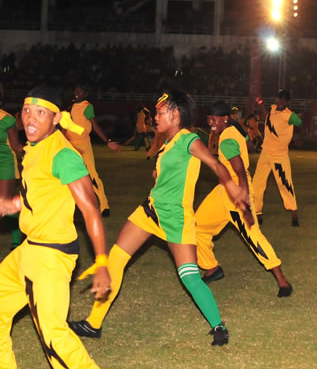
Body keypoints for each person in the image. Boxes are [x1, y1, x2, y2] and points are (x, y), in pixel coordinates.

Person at [68, 90, 251, 346]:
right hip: (150, 211)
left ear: (175, 114)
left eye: (160, 112)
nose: (155, 117)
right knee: (117, 258)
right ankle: (93, 324)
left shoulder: (188, 139)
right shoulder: (168, 142)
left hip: (177, 219)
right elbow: (168, 174)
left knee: (189, 277)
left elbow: (216, 164)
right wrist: (159, 176)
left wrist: (232, 187)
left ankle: (218, 326)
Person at [0, 85, 127, 369]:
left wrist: (101, 262)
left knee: (53, 332)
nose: (30, 118)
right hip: (29, 248)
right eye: (27, 110)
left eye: (40, 112)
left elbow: (91, 210)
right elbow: (39, 195)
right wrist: (12, 204)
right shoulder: (34, 148)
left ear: (56, 119)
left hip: (50, 256)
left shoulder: (63, 155)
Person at [195, 101, 292, 296]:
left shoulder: (227, 140)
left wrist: (246, 207)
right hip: (223, 189)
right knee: (196, 226)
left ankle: (283, 281)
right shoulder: (233, 130)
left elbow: (240, 173)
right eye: (208, 120)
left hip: (236, 191)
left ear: (225, 119)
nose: (210, 123)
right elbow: (246, 140)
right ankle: (212, 268)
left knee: (253, 236)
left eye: (214, 120)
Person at [65, 84, 121, 217]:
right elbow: (65, 126)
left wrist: (107, 141)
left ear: (85, 94)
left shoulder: (87, 106)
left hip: (83, 145)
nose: (77, 92)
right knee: (68, 176)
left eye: (80, 90)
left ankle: (104, 205)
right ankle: (69, 208)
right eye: (75, 90)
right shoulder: (71, 107)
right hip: (70, 146)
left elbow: (94, 125)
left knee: (92, 175)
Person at [252, 90, 302, 227]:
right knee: (257, 183)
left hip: (279, 155)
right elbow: (265, 116)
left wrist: (299, 139)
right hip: (265, 152)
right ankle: (257, 212)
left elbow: (300, 123)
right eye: (280, 99)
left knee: (285, 184)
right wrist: (260, 103)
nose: (281, 102)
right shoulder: (272, 109)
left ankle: (294, 214)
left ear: (287, 102)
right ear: (277, 99)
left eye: (284, 101)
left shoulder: (289, 115)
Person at [0, 103, 23, 249]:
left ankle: (16, 238)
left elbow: (15, 145)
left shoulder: (7, 119)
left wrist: (34, 150)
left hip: (5, 162)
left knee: (3, 204)